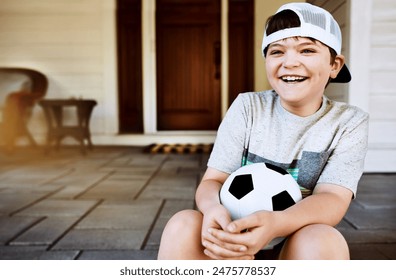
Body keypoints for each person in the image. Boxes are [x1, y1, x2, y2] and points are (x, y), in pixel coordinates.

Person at [157, 2, 369, 260]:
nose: (290, 62)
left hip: (295, 239)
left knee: (325, 241)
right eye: (277, 52)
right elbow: (212, 181)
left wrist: (275, 223)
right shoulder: (248, 107)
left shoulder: (348, 122)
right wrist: (213, 210)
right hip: (232, 233)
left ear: (334, 65)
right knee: (182, 224)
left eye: (307, 50)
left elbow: (332, 198)